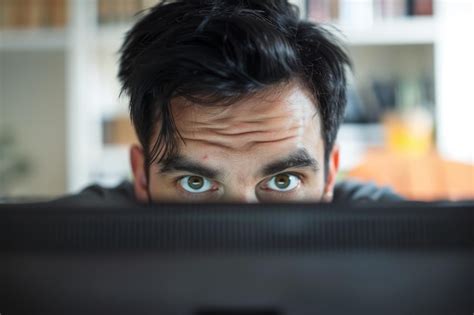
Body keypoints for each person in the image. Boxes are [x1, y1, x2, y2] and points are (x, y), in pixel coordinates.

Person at [55, 0, 402, 205]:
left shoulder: (416, 240)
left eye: (284, 181)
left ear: (330, 174)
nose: (243, 229)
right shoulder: (52, 246)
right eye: (195, 183)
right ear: (141, 178)